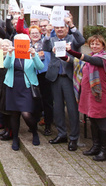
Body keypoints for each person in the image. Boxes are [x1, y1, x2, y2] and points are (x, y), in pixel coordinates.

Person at [64, 35, 106, 161]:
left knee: (101, 122)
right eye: (92, 44)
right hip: (88, 95)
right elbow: (74, 61)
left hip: (99, 95)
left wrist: (70, 51)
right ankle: (96, 147)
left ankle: (105, 151)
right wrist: (60, 54)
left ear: (103, 45)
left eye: (97, 44)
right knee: (93, 120)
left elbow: (90, 60)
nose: (94, 46)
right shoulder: (90, 57)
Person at [43, 16, 85, 151]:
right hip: (55, 77)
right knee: (58, 107)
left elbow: (81, 40)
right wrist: (48, 34)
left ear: (66, 29)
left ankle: (73, 138)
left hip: (68, 76)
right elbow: (46, 47)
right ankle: (61, 134)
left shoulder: (72, 39)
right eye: (57, 27)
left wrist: (72, 24)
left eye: (62, 27)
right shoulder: (53, 39)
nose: (60, 29)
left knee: (72, 108)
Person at [3, 34, 44, 151]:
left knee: (26, 113)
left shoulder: (32, 53)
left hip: (26, 86)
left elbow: (40, 67)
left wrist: (34, 55)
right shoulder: (12, 53)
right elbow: (5, 65)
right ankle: (15, 138)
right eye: (18, 42)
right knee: (14, 113)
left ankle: (34, 131)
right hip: (13, 85)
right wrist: (9, 54)